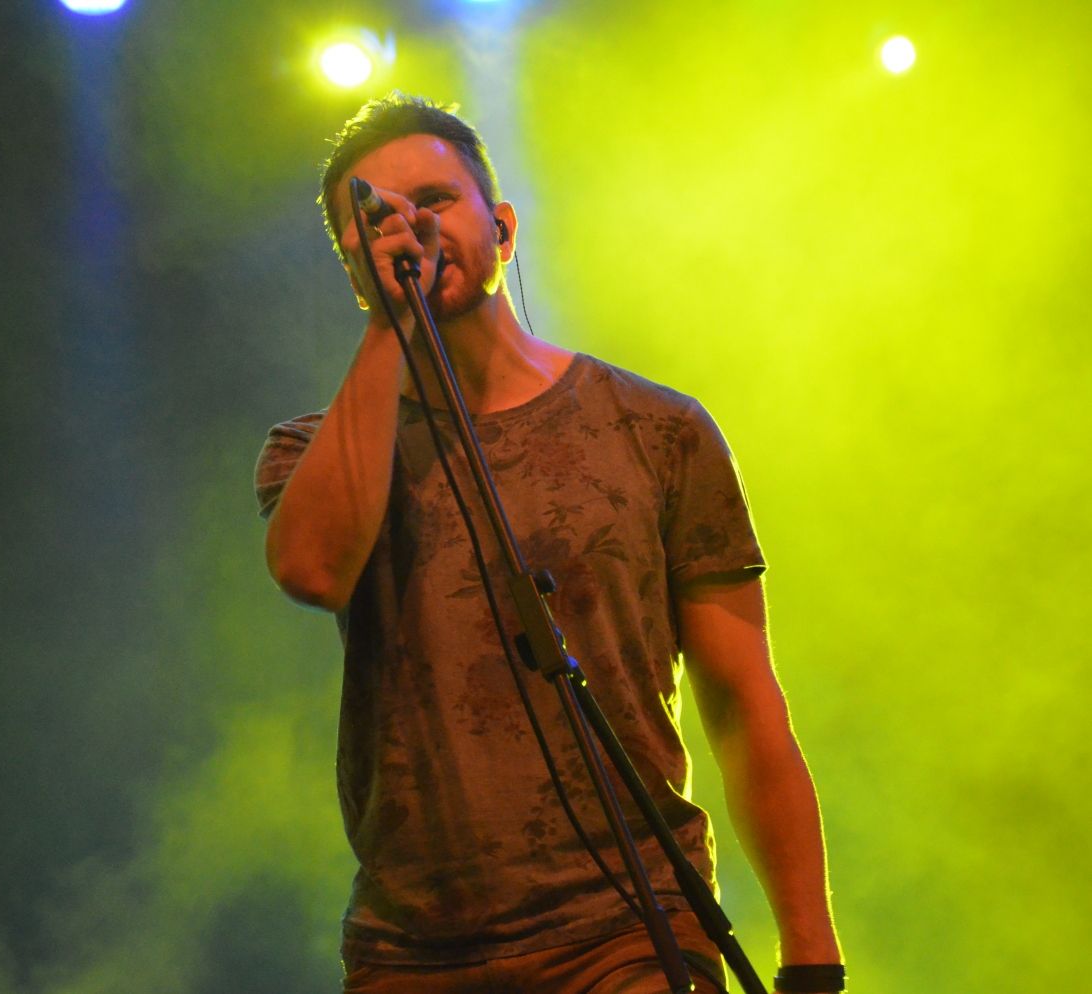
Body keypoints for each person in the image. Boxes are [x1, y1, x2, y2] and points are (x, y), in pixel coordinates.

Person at [254, 93, 843, 994]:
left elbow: (743, 701)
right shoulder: (312, 450)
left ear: (502, 228)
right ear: (356, 271)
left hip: (632, 931)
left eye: (435, 201)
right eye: (377, 223)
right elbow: (312, 569)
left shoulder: (658, 429)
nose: (411, 229)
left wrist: (811, 957)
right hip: (413, 950)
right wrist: (388, 326)